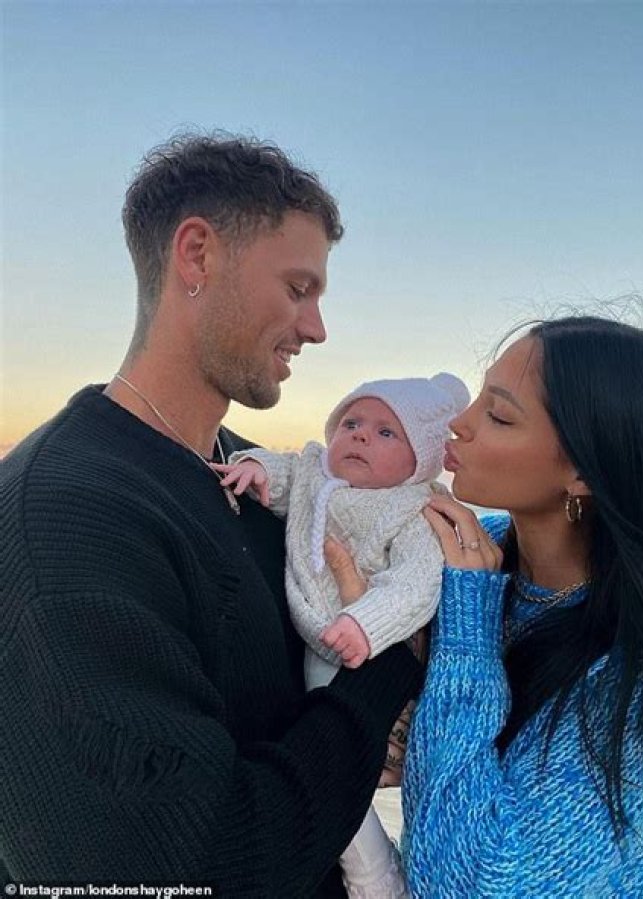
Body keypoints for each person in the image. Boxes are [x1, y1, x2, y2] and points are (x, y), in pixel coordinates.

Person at [0, 133, 423, 894]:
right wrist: (377, 680)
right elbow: (190, 865)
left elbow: (276, 706)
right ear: (197, 255)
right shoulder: (60, 522)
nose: (317, 328)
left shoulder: (260, 479)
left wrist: (369, 738)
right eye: (299, 288)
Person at [392, 316, 643, 896]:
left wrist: (467, 633)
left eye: (498, 415)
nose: (457, 425)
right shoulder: (476, 551)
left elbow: (472, 884)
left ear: (581, 471)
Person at [214, 373, 470, 897]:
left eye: (385, 434)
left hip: (362, 647)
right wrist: (255, 468)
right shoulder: (316, 473)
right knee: (332, 774)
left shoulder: (414, 511)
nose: (359, 436)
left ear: (420, 459)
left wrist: (366, 624)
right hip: (317, 635)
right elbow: (284, 473)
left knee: (338, 778)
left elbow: (416, 585)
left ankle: (377, 878)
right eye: (351, 423)